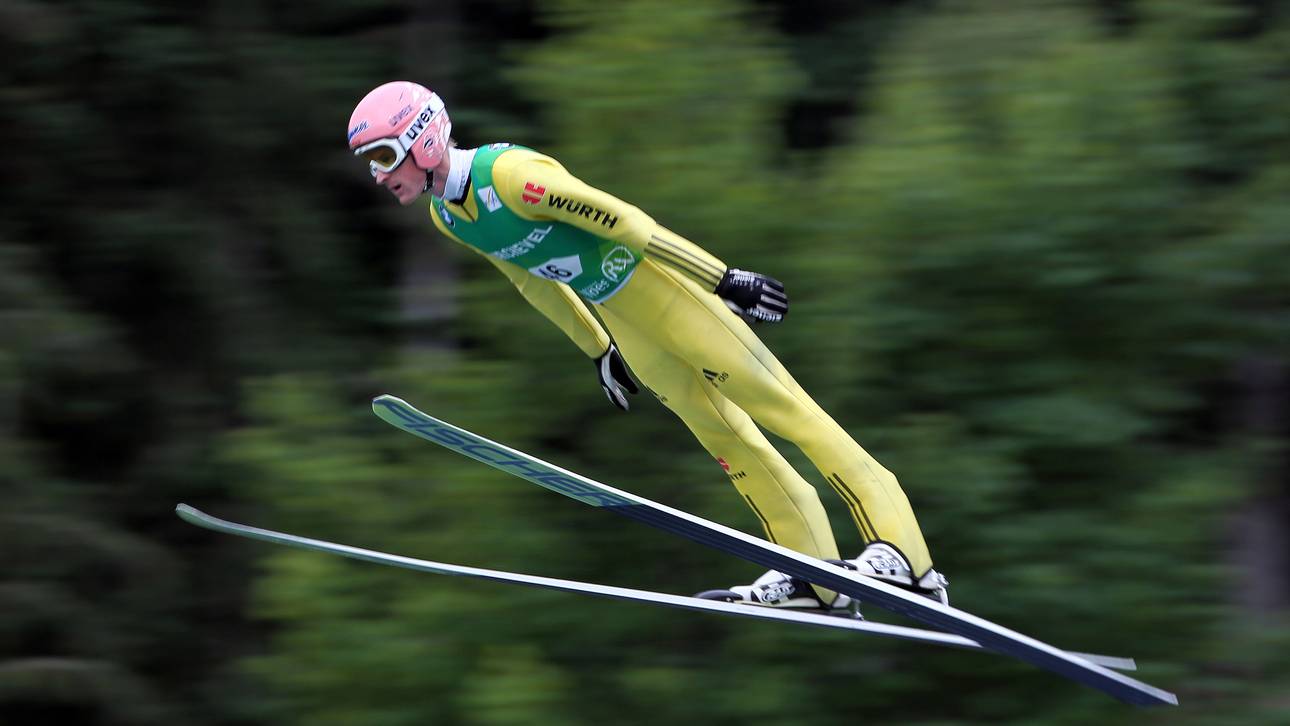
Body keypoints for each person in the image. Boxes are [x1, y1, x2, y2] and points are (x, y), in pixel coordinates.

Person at [347, 80, 948, 609]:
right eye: (367, 162)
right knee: (725, 440)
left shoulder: (509, 177)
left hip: (667, 294)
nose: (377, 174)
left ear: (423, 140)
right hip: (626, 320)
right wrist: (598, 348)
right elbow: (529, 279)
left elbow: (627, 223)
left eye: (380, 155)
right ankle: (815, 577)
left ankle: (906, 558)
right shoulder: (449, 217)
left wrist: (722, 278)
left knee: (785, 411)